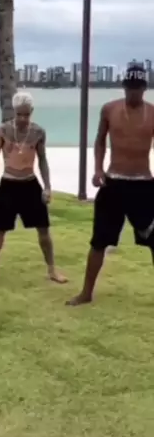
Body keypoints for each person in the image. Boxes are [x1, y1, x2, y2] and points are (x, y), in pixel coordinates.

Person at [67, 62, 154, 307]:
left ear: (144, 88)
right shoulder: (109, 109)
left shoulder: (152, 112)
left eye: (137, 87)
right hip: (113, 183)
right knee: (99, 241)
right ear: (124, 86)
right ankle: (86, 293)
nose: (133, 92)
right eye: (130, 87)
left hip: (143, 184)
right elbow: (99, 141)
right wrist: (97, 169)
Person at [0, 90, 67, 285]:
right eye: (19, 114)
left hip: (30, 184)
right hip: (8, 184)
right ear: (14, 111)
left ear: (31, 112)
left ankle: (52, 270)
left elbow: (42, 159)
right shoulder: (2, 130)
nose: (23, 119)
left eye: (26, 114)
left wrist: (47, 186)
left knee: (44, 230)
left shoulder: (38, 132)